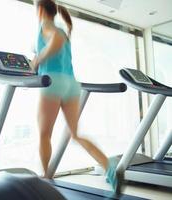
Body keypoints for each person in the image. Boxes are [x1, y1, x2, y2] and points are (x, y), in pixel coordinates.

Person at [30, 0, 122, 195]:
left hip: (52, 83)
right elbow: (58, 42)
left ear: (39, 10)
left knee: (44, 134)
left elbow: (55, 41)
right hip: (71, 84)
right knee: (75, 134)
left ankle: (45, 177)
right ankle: (108, 165)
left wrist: (37, 60)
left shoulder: (46, 27)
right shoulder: (62, 29)